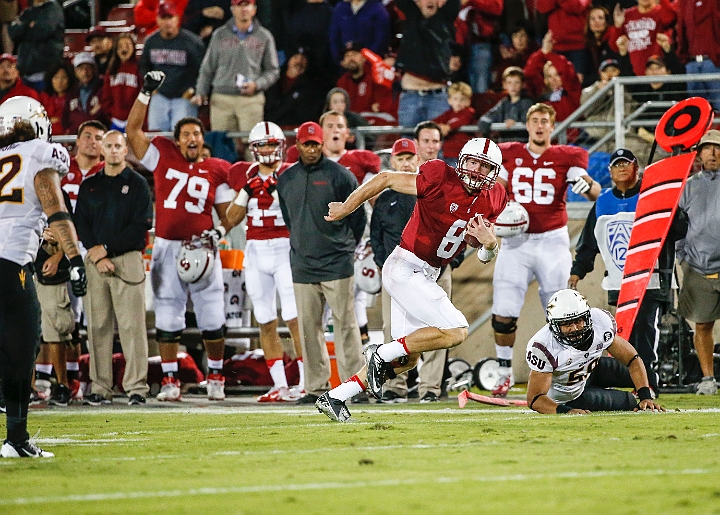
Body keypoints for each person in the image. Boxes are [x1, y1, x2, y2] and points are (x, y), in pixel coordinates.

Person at [316, 136, 507, 421]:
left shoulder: (494, 198)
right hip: (405, 265)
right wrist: (346, 207)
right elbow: (385, 178)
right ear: (462, 161)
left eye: (485, 166)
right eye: (474, 162)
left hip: (428, 273)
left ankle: (335, 397)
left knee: (408, 358)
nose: (477, 171)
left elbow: (485, 252)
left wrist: (489, 244)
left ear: (494, 172)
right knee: (456, 331)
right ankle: (378, 353)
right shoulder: (440, 176)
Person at [127, 71, 235, 402]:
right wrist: (146, 92)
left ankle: (216, 375)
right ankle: (171, 379)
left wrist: (220, 231)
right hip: (166, 247)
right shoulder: (161, 153)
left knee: (212, 315)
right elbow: (132, 131)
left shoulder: (216, 168)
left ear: (202, 140)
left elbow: (230, 211)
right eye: (186, 133)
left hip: (203, 247)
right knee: (167, 313)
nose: (191, 138)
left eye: (196, 134)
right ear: (177, 140)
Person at [491, 103, 600, 397]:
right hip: (515, 242)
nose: (539, 126)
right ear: (527, 125)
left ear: (553, 126)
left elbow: (594, 192)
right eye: (535, 120)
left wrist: (586, 184)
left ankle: (569, 371)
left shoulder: (568, 156)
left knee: (565, 313)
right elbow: (496, 188)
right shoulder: (509, 153)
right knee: (503, 312)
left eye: (545, 121)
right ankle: (504, 372)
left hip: (552, 241)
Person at [0, 95, 87, 458]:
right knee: (21, 348)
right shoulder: (41, 152)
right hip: (10, 264)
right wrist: (75, 257)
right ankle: (17, 440)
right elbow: (54, 205)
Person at [569, 149, 684, 394]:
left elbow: (680, 228)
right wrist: (578, 271)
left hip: (651, 280)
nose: (622, 168)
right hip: (617, 282)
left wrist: (668, 203)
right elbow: (590, 241)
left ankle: (648, 385)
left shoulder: (652, 195)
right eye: (616, 164)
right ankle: (633, 384)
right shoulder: (603, 201)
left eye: (627, 163)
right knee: (623, 336)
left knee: (645, 333)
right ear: (609, 172)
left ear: (637, 168)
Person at [276, 121, 367, 405]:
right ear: (298, 145)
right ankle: (316, 387)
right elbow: (289, 219)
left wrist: (343, 246)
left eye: (316, 144)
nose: (312, 149)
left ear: (322, 144)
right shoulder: (285, 179)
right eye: (307, 144)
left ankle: (355, 386)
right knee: (309, 328)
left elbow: (358, 218)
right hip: (303, 264)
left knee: (347, 326)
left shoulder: (340, 176)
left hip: (337, 262)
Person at [225, 121, 304, 402]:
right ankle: (280, 385)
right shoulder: (246, 175)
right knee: (265, 319)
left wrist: (275, 190)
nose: (269, 149)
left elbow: (300, 210)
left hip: (284, 248)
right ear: (254, 149)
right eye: (263, 145)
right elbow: (231, 219)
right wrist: (247, 190)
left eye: (273, 144)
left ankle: (306, 382)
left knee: (295, 318)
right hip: (256, 250)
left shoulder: (291, 173)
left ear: (281, 147)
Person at [74, 131, 153, 406]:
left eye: (119, 145)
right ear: (102, 150)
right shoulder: (90, 185)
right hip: (96, 261)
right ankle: (100, 387)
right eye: (109, 146)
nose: (114, 150)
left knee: (133, 327)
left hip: (127, 259)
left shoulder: (138, 183)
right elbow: (80, 222)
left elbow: (141, 225)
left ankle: (136, 388)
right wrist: (97, 253)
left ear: (125, 149)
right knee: (97, 325)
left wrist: (103, 249)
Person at [526, 289, 664, 413]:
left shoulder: (600, 322)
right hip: (571, 395)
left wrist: (646, 397)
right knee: (628, 401)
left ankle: (648, 393)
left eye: (578, 320)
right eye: (567, 323)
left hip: (592, 368)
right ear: (554, 325)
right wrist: (566, 411)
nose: (574, 328)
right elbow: (535, 399)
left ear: (587, 317)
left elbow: (632, 359)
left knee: (649, 379)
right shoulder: (543, 346)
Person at [369, 138, 419, 403]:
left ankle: (430, 388)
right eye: (401, 158)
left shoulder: (430, 192)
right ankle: (395, 385)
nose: (406, 163)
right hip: (394, 273)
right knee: (393, 330)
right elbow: (375, 235)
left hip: (428, 271)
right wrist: (381, 262)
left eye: (410, 157)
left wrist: (450, 262)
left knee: (432, 328)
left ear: (418, 160)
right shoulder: (385, 198)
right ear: (393, 162)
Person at [193, 0, 280, 135]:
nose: (243, 9)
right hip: (221, 99)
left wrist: (257, 85)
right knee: (222, 147)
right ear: (233, 9)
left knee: (252, 146)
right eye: (239, 5)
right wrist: (201, 92)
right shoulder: (219, 34)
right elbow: (207, 67)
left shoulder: (265, 36)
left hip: (251, 100)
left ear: (254, 9)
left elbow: (273, 71)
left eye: (247, 5)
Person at [676, 129, 720, 395]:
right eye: (708, 148)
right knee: (702, 325)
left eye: (717, 148)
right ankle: (708, 379)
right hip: (697, 265)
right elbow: (678, 225)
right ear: (699, 153)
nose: (713, 153)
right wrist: (682, 258)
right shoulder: (689, 185)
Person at [138, 1, 205, 132]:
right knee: (156, 137)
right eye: (163, 18)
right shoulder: (151, 41)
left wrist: (194, 89)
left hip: (184, 98)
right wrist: (151, 87)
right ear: (157, 19)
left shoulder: (192, 42)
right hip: (160, 96)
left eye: (171, 17)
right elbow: (143, 66)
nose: (167, 22)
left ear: (177, 18)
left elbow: (203, 69)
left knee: (182, 135)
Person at [394, 0, 460, 128]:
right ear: (417, 2)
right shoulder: (410, 15)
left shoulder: (446, 17)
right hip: (410, 96)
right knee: (408, 145)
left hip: (438, 97)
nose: (430, 1)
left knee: (435, 144)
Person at [607, 0, 676, 77]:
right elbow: (615, 47)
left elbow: (671, 18)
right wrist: (618, 27)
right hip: (633, 75)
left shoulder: (661, 11)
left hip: (656, 73)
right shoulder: (626, 15)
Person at [8, 0, 64, 92]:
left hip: (44, 72)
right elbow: (13, 33)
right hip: (25, 73)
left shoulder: (52, 8)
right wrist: (28, 25)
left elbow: (40, 32)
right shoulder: (28, 11)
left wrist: (24, 30)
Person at [676, 0, 720, 112]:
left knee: (718, 103)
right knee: (697, 110)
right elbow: (680, 28)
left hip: (714, 61)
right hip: (692, 63)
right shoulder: (685, 3)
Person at [454, 0, 504, 94]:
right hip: (456, 45)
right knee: (458, 90)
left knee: (480, 88)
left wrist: (471, 1)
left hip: (480, 43)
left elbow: (497, 8)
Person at [536, 0, 592, 84]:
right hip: (556, 46)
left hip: (577, 47)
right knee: (556, 83)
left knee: (576, 82)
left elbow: (577, 6)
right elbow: (542, 7)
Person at [336, 41, 395, 116]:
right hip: (352, 121)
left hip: (376, 120)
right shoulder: (342, 82)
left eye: (355, 54)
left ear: (364, 58)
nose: (351, 58)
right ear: (343, 62)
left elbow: (382, 105)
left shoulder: (376, 75)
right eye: (347, 56)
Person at [478, 67, 533, 143]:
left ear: (523, 84)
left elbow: (529, 121)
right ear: (504, 85)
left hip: (521, 144)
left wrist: (516, 123)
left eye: (516, 82)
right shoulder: (504, 102)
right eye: (509, 82)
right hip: (505, 144)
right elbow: (489, 116)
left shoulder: (527, 102)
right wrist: (485, 126)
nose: (513, 86)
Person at [101, 32, 142, 132]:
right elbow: (106, 96)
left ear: (133, 48)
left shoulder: (139, 68)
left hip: (135, 122)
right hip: (116, 122)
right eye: (120, 46)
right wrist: (113, 114)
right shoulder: (111, 70)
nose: (124, 48)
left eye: (127, 45)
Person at [328, 0, 390, 67]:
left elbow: (381, 38)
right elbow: (333, 37)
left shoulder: (378, 9)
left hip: (370, 65)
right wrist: (339, 59)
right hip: (345, 64)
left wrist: (367, 58)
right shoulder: (340, 8)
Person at [62, 52, 108, 136]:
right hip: (76, 138)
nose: (84, 72)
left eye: (88, 68)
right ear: (75, 71)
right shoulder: (72, 92)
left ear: (94, 69)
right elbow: (65, 120)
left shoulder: (104, 88)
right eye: (80, 68)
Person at [433, 81, 476, 168]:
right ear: (449, 101)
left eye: (462, 99)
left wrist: (448, 127)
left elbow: (464, 120)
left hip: (462, 155)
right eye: (455, 99)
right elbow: (434, 122)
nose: (458, 102)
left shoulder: (469, 112)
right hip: (447, 154)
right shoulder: (448, 114)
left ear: (468, 101)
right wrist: (438, 128)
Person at [39, 61, 76, 137]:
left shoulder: (75, 97)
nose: (59, 82)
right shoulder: (44, 97)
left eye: (64, 77)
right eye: (56, 77)